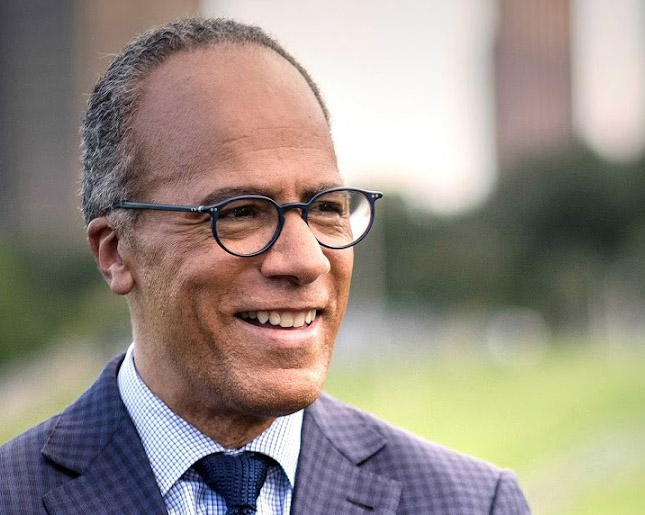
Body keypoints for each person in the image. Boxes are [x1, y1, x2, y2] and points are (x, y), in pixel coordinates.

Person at [0, 17, 531, 515]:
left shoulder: (471, 503)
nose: (306, 260)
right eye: (240, 213)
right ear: (115, 252)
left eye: (326, 208)